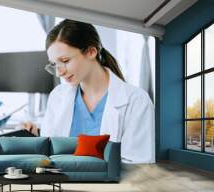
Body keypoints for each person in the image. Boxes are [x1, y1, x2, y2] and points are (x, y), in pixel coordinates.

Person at [22, 20, 155, 164]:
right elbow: (49, 156)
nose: (59, 72)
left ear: (91, 52)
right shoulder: (57, 96)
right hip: (62, 183)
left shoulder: (136, 100)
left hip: (114, 186)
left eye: (65, 60)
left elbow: (138, 165)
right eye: (55, 64)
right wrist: (35, 139)